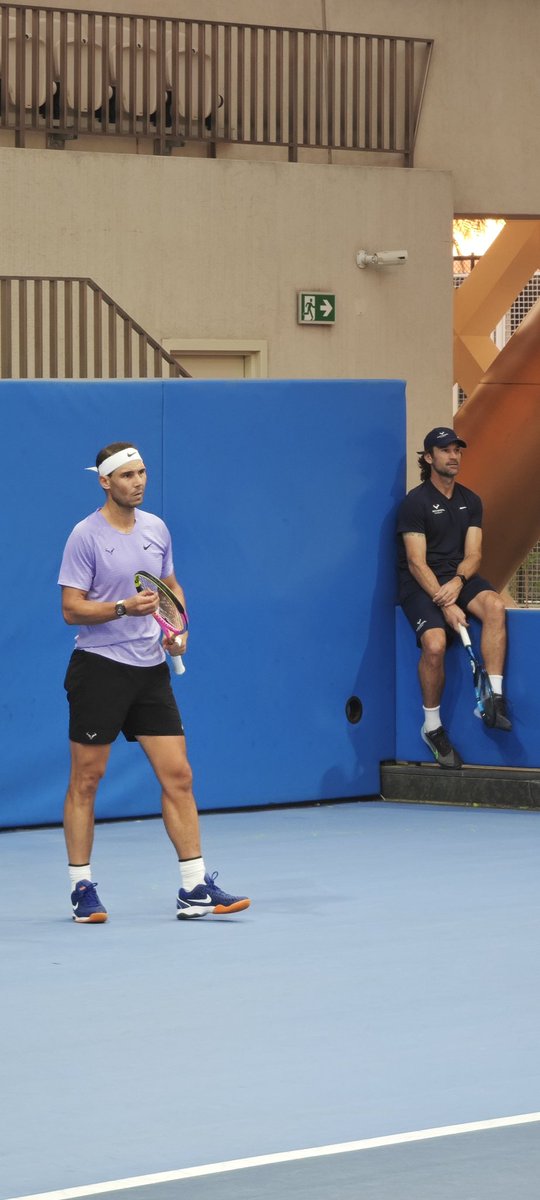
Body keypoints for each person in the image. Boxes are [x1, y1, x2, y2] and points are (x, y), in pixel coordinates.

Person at [58, 441, 250, 922]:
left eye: (142, 473)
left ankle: (194, 887)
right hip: (99, 668)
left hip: (150, 671)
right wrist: (123, 607)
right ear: (105, 482)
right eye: (127, 476)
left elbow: (171, 586)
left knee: (179, 776)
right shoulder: (85, 536)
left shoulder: (156, 528)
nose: (138, 482)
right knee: (87, 779)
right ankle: (81, 887)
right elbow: (71, 608)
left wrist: (177, 627)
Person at [396, 426, 512, 769]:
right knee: (434, 644)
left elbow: (474, 555)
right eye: (445, 451)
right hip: (420, 585)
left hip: (456, 579)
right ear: (429, 458)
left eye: (457, 450)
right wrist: (445, 603)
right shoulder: (414, 503)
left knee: (494, 605)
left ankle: (492, 699)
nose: (453, 456)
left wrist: (459, 583)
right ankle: (431, 727)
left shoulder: (471, 500)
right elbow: (416, 563)